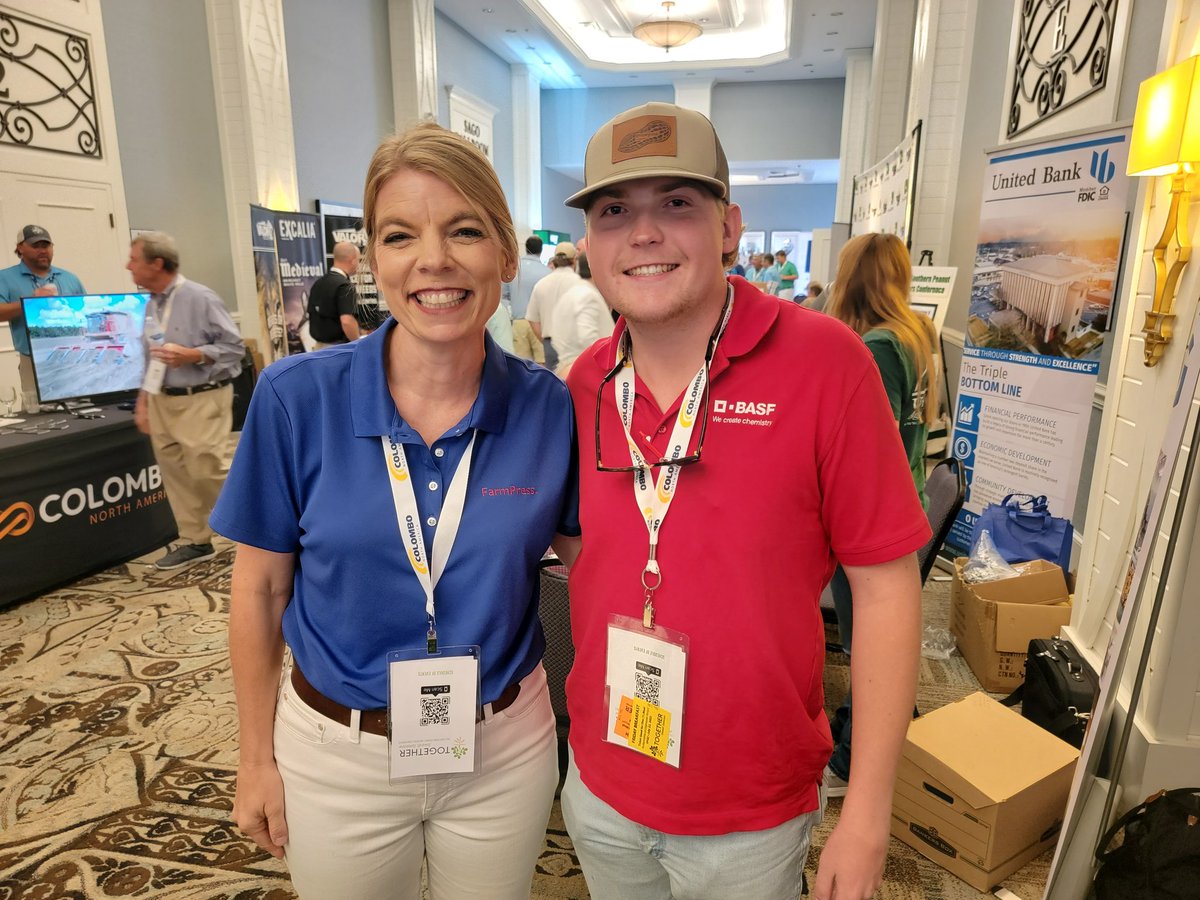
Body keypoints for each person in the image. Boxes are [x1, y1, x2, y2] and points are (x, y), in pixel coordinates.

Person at [555, 101, 929, 900]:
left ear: (729, 226)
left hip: (751, 814)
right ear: (588, 244)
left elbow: (888, 588)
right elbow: (577, 550)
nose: (644, 234)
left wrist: (867, 810)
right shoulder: (582, 383)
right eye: (615, 211)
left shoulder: (827, 363)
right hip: (601, 782)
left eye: (677, 205)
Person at [211, 123, 580, 900]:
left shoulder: (551, 407)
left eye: (465, 230)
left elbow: (594, 566)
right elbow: (260, 590)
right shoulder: (295, 398)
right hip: (336, 750)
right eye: (401, 235)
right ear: (373, 259)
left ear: (507, 256)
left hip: (502, 746)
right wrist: (254, 758)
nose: (434, 260)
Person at [823, 232, 940, 800]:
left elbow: (874, 443)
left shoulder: (873, 346)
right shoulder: (916, 334)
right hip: (907, 500)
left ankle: (852, 758)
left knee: (862, 641)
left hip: (869, 522)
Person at [129, 232, 244, 571]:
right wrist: (143, 401)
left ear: (157, 263)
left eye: (134, 259)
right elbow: (151, 357)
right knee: (176, 472)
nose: (128, 265)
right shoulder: (152, 303)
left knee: (206, 467)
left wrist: (193, 355)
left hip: (201, 398)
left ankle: (258, 533)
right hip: (162, 398)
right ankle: (196, 541)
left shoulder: (200, 298)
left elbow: (235, 348)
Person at [0, 225, 86, 412]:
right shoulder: (5, 278)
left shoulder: (70, 278)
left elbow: (85, 313)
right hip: (33, 361)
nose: (42, 250)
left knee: (82, 411)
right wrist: (29, 303)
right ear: (20, 248)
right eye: (36, 245)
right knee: (40, 416)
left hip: (73, 358)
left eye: (46, 245)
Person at [549, 250, 613, 378]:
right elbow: (588, 338)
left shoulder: (572, 293)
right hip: (587, 372)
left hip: (568, 366)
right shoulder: (588, 296)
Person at [526, 240, 580, 369]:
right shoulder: (580, 284)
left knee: (555, 384)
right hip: (575, 344)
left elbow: (532, 319)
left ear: (554, 260)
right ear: (574, 261)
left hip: (550, 344)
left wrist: (545, 340)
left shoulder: (541, 284)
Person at [306, 241, 362, 348]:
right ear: (353, 260)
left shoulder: (318, 283)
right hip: (338, 350)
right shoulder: (344, 286)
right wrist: (358, 343)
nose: (358, 264)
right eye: (358, 260)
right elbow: (347, 321)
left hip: (319, 349)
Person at [508, 235, 549, 363]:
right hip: (540, 324)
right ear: (541, 250)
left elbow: (504, 297)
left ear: (525, 248)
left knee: (521, 366)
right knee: (542, 364)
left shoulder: (514, 271)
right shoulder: (547, 273)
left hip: (518, 322)